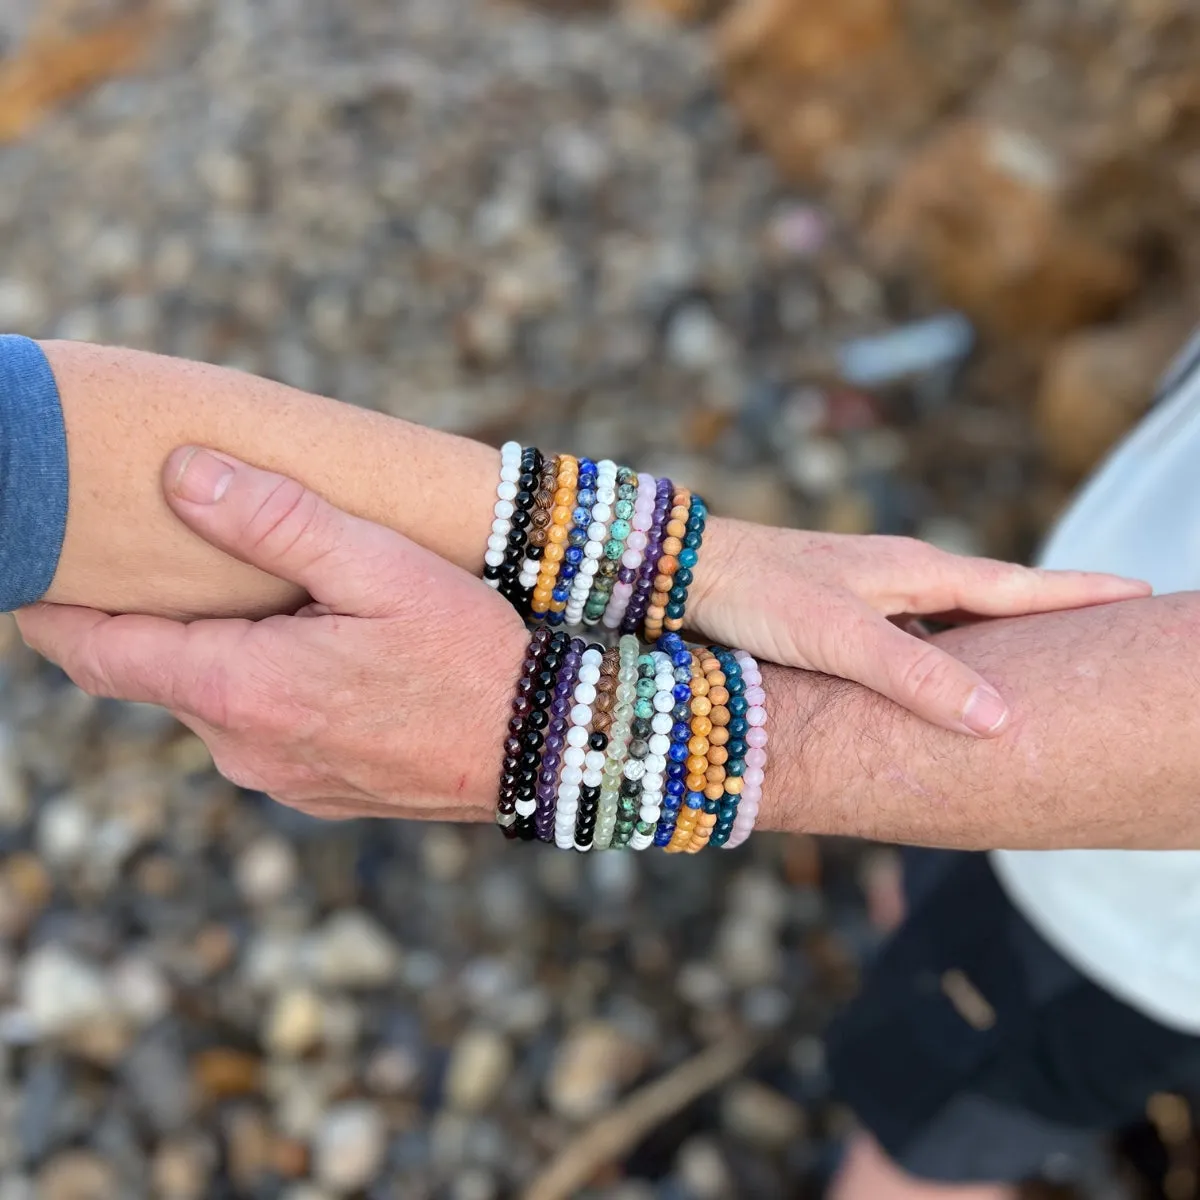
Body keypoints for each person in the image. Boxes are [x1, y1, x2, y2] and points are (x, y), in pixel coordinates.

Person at [825, 329, 1200, 1200]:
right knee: (917, 895)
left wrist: (817, 752)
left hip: (1108, 922)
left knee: (920, 1153)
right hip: (1028, 747)